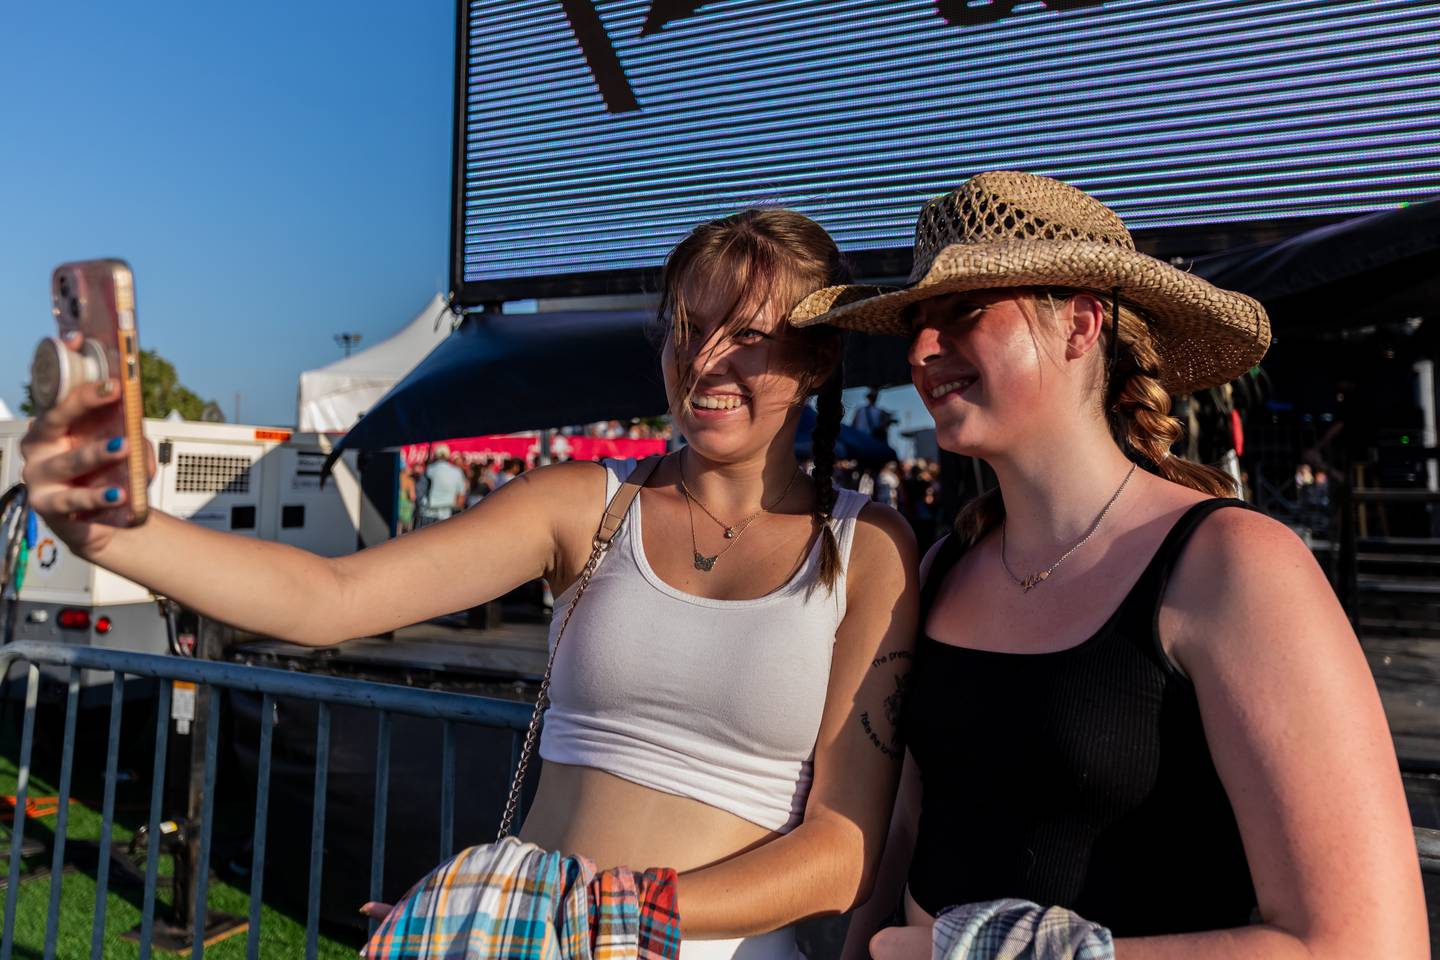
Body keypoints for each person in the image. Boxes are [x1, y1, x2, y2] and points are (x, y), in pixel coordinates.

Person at [20, 207, 918, 959]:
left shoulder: (869, 546)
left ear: (817, 360)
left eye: (750, 336)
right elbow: (330, 599)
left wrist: (607, 915)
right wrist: (119, 531)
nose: (708, 359)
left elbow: (842, 851)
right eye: (689, 327)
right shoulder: (583, 506)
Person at [789, 172, 1427, 958]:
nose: (922, 351)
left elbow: (1366, 941)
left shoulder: (1235, 566)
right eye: (916, 323)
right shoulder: (944, 565)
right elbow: (910, 827)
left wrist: (995, 951)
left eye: (963, 312)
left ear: (1081, 324)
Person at [419, 444, 467, 524]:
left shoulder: (429, 469)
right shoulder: (457, 471)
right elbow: (461, 497)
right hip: (446, 515)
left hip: (428, 513)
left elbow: (421, 491)